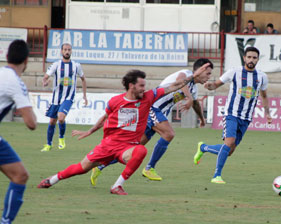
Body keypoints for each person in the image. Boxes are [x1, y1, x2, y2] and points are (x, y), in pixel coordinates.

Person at [37, 63, 210, 195]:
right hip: (108, 146)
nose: (145, 88)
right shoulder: (115, 101)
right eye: (141, 86)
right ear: (131, 86)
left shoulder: (148, 97)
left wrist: (193, 76)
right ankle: (51, 180)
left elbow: (174, 86)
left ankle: (117, 185)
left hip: (126, 148)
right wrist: (89, 131)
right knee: (81, 168)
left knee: (140, 150)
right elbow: (103, 118)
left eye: (145, 85)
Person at [88, 58, 213, 185]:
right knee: (169, 134)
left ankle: (100, 166)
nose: (209, 77)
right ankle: (149, 168)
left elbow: (196, 104)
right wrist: (189, 97)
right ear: (199, 70)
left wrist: (202, 119)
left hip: (157, 114)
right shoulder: (185, 73)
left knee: (132, 149)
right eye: (207, 73)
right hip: (153, 107)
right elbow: (179, 81)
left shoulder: (194, 90)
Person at [193, 47, 272, 184]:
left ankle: (203, 147)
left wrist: (267, 114)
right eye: (249, 57)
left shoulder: (262, 77)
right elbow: (216, 85)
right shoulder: (234, 72)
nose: (251, 60)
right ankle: (217, 175)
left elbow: (264, 96)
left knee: (229, 151)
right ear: (244, 58)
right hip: (231, 114)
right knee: (228, 143)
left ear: (258, 59)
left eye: (254, 57)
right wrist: (209, 86)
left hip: (246, 118)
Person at [0, 40, 37, 224]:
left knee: (19, 175)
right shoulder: (15, 82)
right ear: (26, 60)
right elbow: (31, 123)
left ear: (7, 57)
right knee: (20, 175)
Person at [40, 43, 87, 152]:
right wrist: (45, 82)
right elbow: (45, 77)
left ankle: (61, 138)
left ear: (71, 51)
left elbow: (83, 79)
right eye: (65, 49)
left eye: (69, 50)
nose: (67, 51)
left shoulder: (76, 65)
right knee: (52, 121)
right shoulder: (56, 65)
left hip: (68, 97)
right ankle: (49, 144)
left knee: (61, 118)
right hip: (56, 98)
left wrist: (84, 96)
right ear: (61, 51)